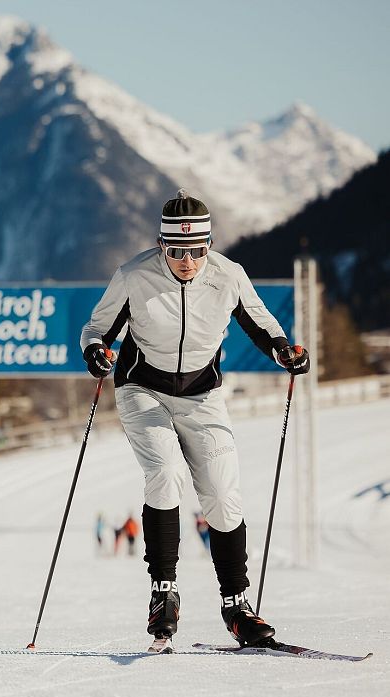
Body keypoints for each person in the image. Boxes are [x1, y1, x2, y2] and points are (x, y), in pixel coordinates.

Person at [80, 189, 310, 646]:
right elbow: (96, 328)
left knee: (223, 494)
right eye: (176, 251)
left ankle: (237, 605)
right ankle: (163, 592)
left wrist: (284, 349)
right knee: (165, 474)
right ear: (161, 245)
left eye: (197, 250)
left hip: (202, 395)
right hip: (143, 388)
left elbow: (261, 322)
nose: (187, 261)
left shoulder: (229, 276)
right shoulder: (133, 276)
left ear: (209, 244)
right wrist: (95, 352)